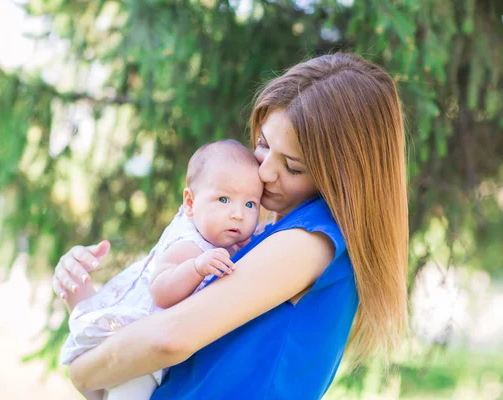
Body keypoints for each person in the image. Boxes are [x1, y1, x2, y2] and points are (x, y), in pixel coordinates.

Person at [52, 53, 409, 399]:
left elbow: (169, 338)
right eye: (263, 145)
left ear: (343, 175)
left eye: (293, 167)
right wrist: (86, 304)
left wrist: (82, 370)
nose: (266, 171)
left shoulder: (311, 239)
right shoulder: (267, 232)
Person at [56, 139, 264, 399]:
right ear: (190, 203)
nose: (238, 214)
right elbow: (161, 291)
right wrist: (196, 268)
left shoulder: (219, 231)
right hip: (138, 345)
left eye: (250, 204)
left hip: (151, 346)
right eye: (223, 199)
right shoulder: (189, 246)